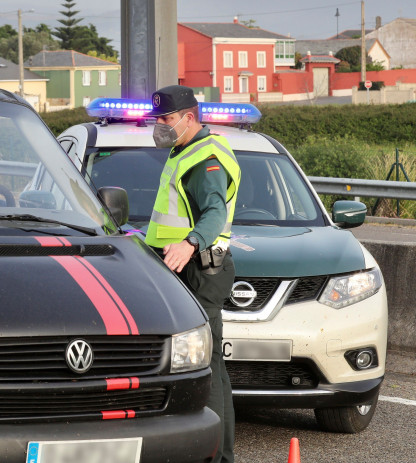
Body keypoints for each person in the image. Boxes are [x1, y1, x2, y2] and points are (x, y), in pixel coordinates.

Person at [144, 85, 241, 463]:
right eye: (157, 119)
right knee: (204, 365)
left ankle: (215, 457)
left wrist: (190, 242)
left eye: (166, 119)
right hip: (182, 269)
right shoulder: (183, 149)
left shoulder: (206, 158)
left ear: (188, 117)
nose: (160, 126)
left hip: (198, 270)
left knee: (207, 367)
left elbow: (214, 213)